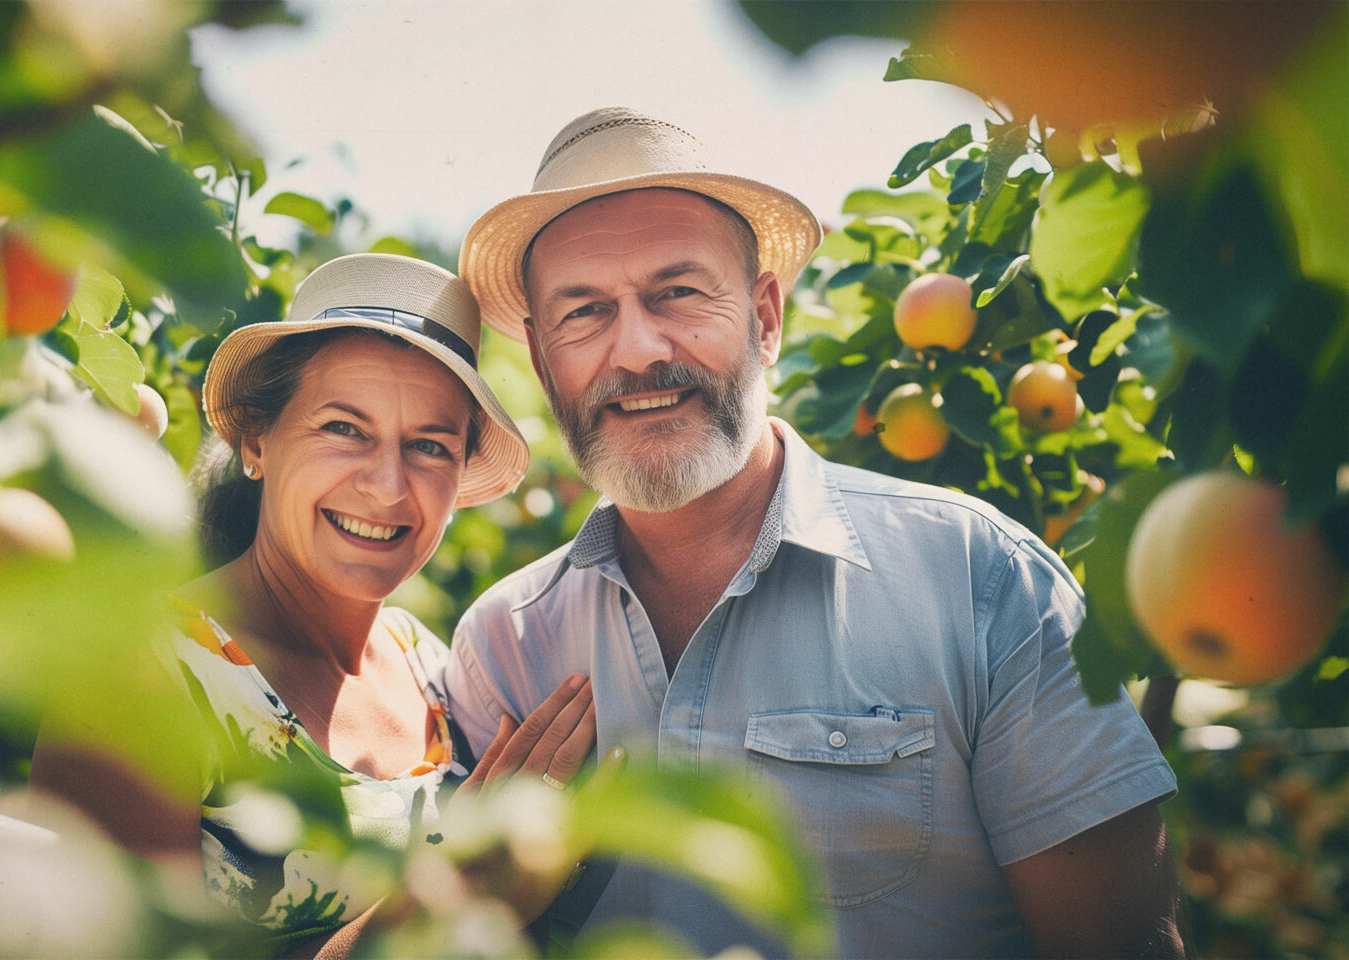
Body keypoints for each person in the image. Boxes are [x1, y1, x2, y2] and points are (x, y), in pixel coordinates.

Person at [444, 107, 1184, 958]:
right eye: (583, 313)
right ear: (542, 363)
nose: (638, 349)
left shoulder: (981, 578)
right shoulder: (502, 646)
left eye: (678, 293)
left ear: (766, 316)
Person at [31, 253, 598, 955]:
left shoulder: (429, 661)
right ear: (257, 441)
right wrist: (449, 895)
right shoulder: (140, 675)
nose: (388, 486)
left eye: (429, 445)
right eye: (343, 429)